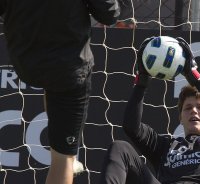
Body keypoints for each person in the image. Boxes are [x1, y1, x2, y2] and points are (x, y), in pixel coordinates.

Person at [0, 0, 120, 184]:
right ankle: (65, 158)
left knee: (55, 86)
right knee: (63, 161)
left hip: (25, 59)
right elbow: (109, 14)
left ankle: (65, 151)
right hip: (67, 68)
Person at [100, 37, 200, 184]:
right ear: (180, 117)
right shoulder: (163, 146)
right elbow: (131, 126)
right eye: (188, 108)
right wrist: (142, 81)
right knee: (120, 148)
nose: (194, 111)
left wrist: (193, 76)